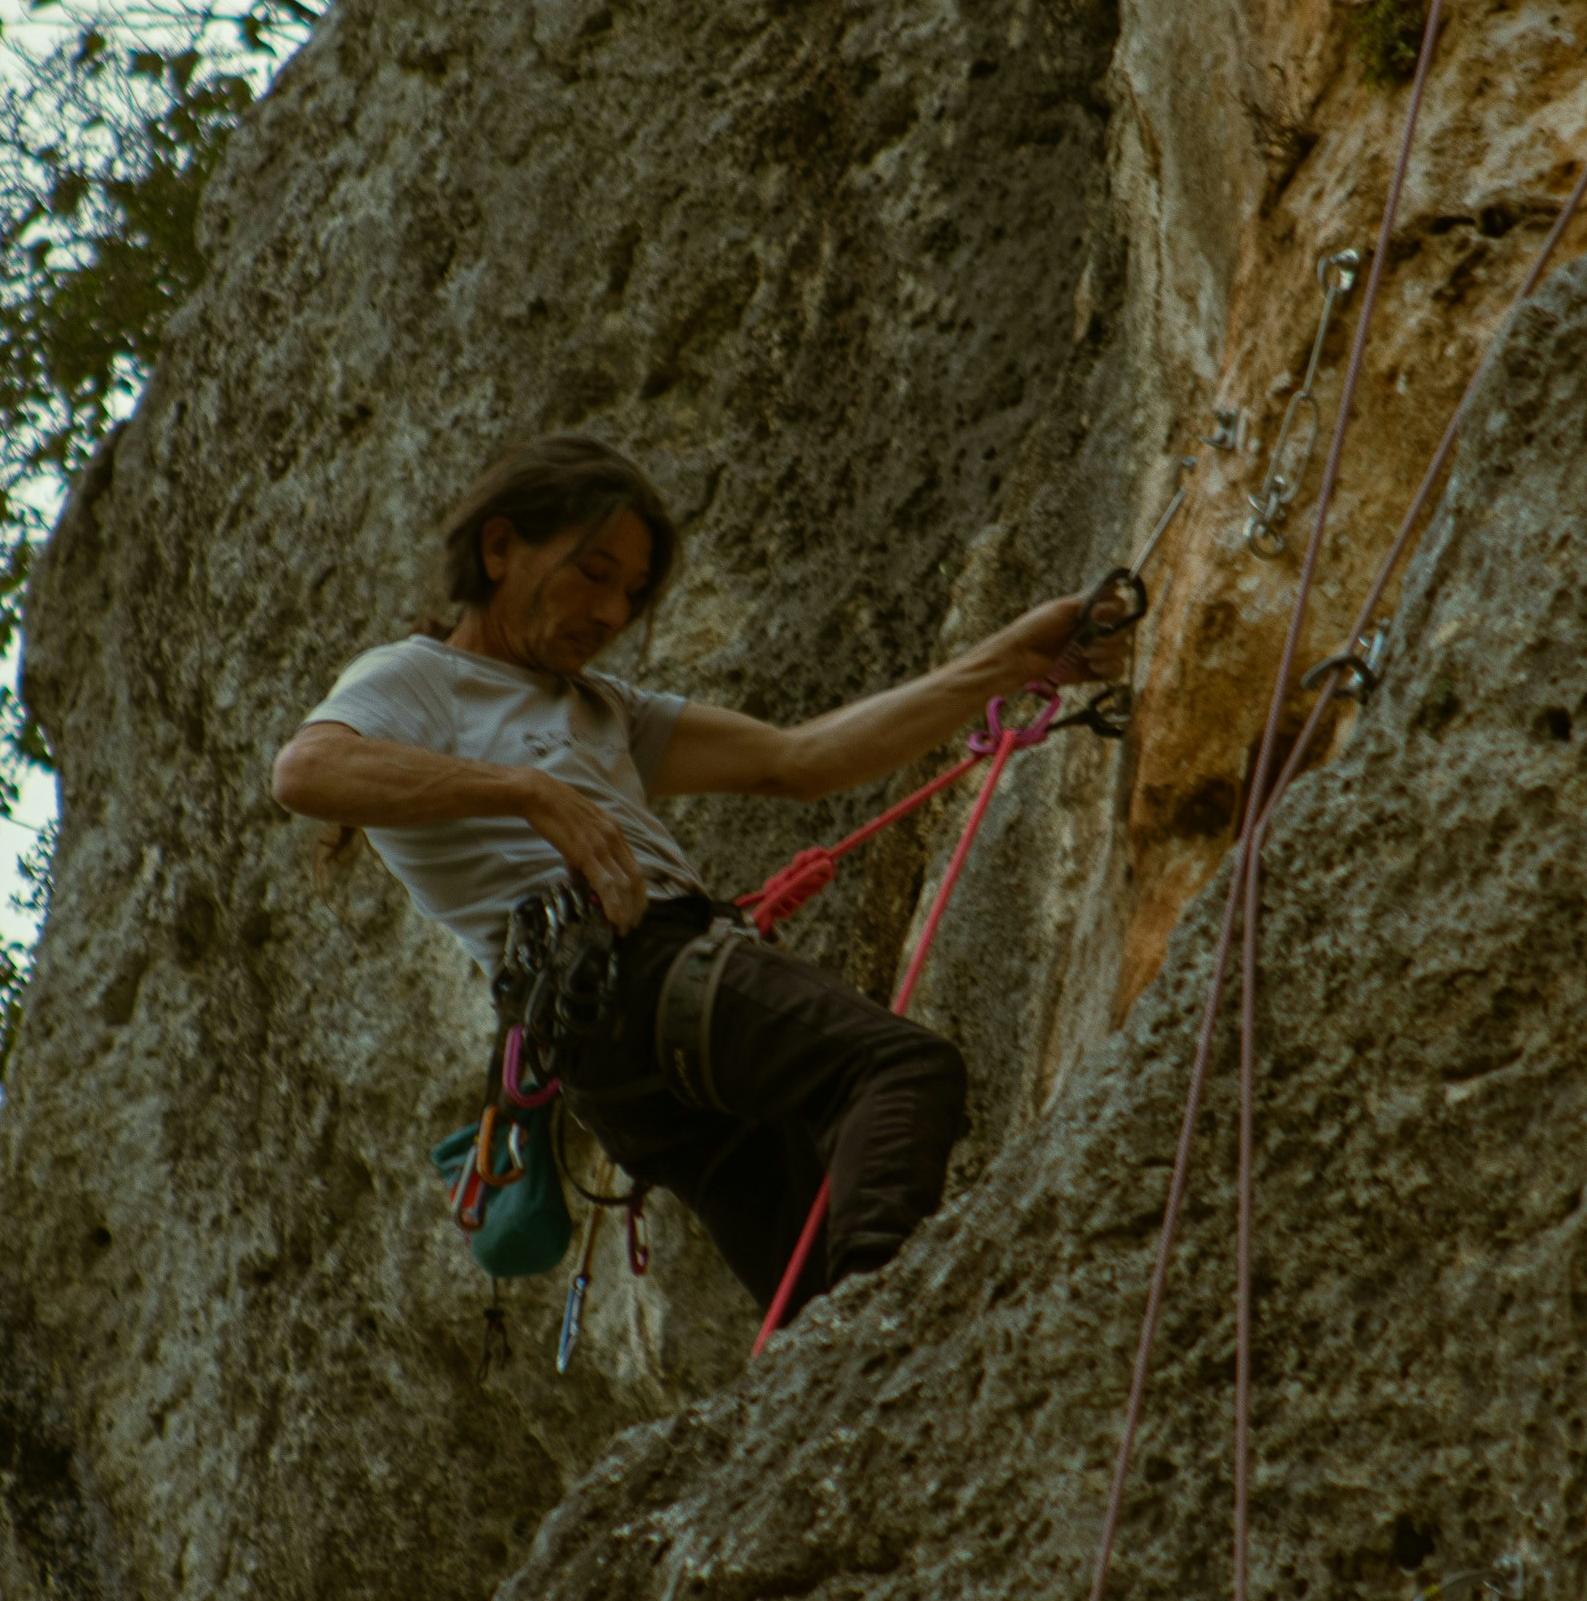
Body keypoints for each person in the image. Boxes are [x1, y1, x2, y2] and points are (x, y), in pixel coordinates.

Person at [271, 435, 1124, 1322]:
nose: (612, 611)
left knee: (811, 1266)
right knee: (898, 1067)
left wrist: (1010, 660)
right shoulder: (417, 678)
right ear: (498, 548)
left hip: (623, 1046)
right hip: (625, 975)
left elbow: (800, 761)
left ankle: (847, 1371)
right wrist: (528, 791)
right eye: (592, 573)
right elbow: (306, 770)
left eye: (632, 592)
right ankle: (886, 1339)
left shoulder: (603, 706)